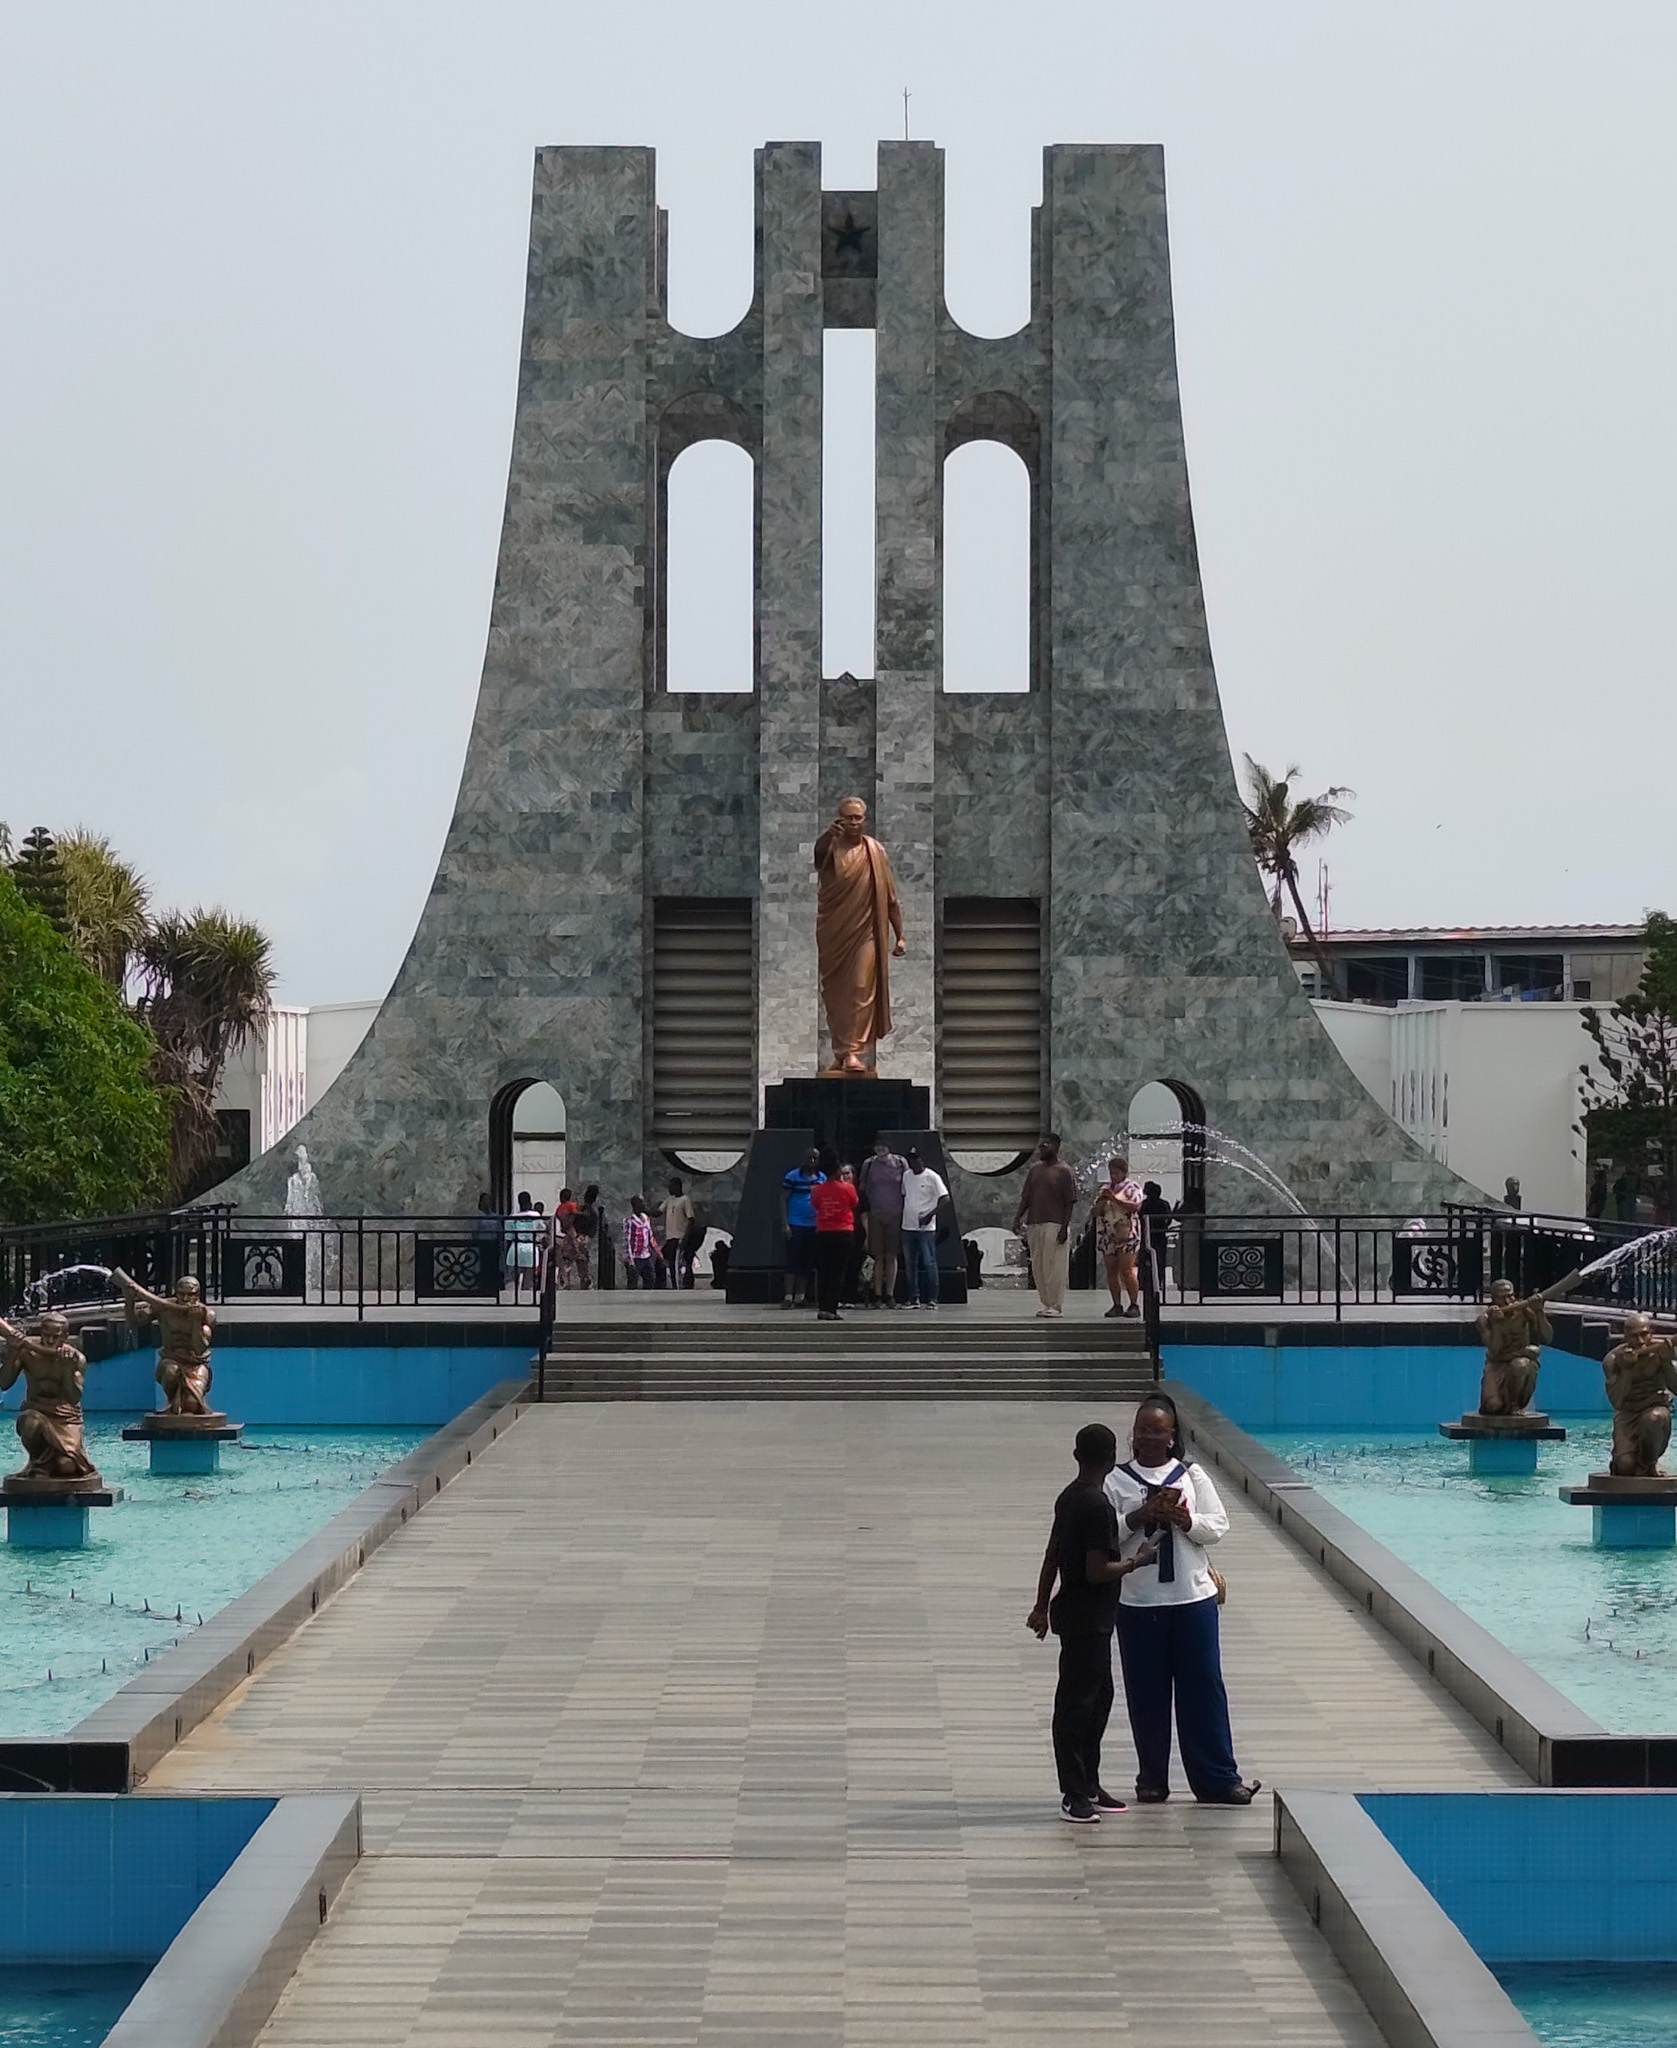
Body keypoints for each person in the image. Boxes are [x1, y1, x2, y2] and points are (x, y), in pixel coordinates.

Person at [1106, 1395, 1260, 1807]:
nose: (1149, 1437)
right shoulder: (1115, 1481)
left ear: (1172, 1436)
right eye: (1142, 1429)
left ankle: (1217, 1779)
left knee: (1204, 1687)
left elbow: (1217, 1525)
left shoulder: (1191, 1474)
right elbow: (1105, 1535)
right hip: (1139, 1602)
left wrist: (1185, 1520)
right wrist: (1139, 1516)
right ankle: (1152, 1779)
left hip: (1192, 1599)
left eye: (1158, 1430)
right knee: (1146, 1692)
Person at [1027, 1422, 1157, 1823]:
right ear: (1112, 1459)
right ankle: (1073, 1793)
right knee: (1077, 1705)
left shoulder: (1069, 1497)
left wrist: (1041, 1605)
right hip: (1089, 1619)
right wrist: (1138, 1561)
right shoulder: (1098, 1507)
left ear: (1076, 1455)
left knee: (1099, 1699)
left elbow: (1052, 1554)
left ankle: (1088, 1783)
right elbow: (1097, 1570)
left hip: (1079, 1616)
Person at [813, 795, 906, 1075]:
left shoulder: (874, 851)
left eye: (858, 818)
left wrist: (900, 935)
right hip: (834, 934)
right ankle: (841, 1052)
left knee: (861, 987)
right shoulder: (831, 848)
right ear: (840, 820)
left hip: (866, 934)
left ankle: (854, 1051)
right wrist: (827, 837)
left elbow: (890, 897)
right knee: (835, 994)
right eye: (848, 818)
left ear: (864, 820)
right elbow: (818, 858)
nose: (854, 823)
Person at [1013, 1135, 1079, 1319]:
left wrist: (1064, 1228)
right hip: (1034, 1222)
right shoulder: (1035, 1170)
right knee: (1039, 1266)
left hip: (1055, 1223)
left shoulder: (1064, 1171)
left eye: (1045, 1145)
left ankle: (1056, 1305)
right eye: (1040, 1146)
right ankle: (1046, 1303)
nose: (1041, 1148)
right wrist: (1018, 1218)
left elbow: (1069, 1202)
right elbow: (1026, 1197)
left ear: (1055, 1147)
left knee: (1054, 1265)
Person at [810, 1146, 860, 1321]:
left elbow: (816, 1205)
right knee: (838, 1272)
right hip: (843, 1232)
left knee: (824, 1270)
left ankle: (822, 1307)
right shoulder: (848, 1188)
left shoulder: (817, 1189)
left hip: (823, 1232)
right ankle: (831, 1308)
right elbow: (854, 1203)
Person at [1092, 1154, 1144, 1319]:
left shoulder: (1132, 1187)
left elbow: (1135, 1206)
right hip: (1108, 1234)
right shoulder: (1105, 1189)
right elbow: (1095, 1212)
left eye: (1116, 1173)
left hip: (1127, 1233)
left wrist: (1114, 1199)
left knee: (1126, 1270)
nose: (1113, 1176)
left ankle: (1134, 1304)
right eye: (1111, 1173)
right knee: (1111, 1270)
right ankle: (1117, 1304)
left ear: (1124, 1173)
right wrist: (1102, 1200)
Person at [858, 1137, 907, 1307]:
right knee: (877, 1255)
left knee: (891, 1255)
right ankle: (877, 1294)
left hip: (895, 1214)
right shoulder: (869, 1164)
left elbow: (908, 1185)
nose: (880, 1149)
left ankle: (890, 1294)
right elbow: (862, 1188)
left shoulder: (900, 1162)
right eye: (878, 1146)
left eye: (884, 1146)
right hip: (875, 1214)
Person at [901, 1146, 949, 1309]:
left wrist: (930, 1214)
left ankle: (932, 1298)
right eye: (910, 1160)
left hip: (926, 1228)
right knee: (910, 1263)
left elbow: (945, 1198)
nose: (913, 1163)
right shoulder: (906, 1176)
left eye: (915, 1159)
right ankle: (913, 1298)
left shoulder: (932, 1177)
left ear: (922, 1160)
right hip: (908, 1226)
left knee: (929, 1262)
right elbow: (905, 1195)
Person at [781, 1149, 825, 1309]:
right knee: (793, 1261)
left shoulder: (822, 1178)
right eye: (809, 1158)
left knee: (807, 1262)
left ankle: (800, 1296)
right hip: (795, 1223)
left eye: (815, 1158)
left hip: (813, 1225)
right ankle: (788, 1296)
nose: (812, 1161)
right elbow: (783, 1199)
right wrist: (785, 1223)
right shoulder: (792, 1176)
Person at [659, 1176, 698, 1290]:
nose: (669, 1189)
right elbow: (658, 1212)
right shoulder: (669, 1199)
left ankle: (678, 1286)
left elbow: (691, 1219)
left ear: (677, 1186)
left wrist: (685, 1237)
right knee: (671, 1263)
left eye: (671, 1186)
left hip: (679, 1237)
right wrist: (645, 1210)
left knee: (677, 1263)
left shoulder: (685, 1200)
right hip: (670, 1237)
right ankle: (674, 1285)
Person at [1139, 1181, 1174, 1294]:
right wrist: (1163, 1226)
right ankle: (1159, 1281)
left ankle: (1143, 1283)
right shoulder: (1164, 1204)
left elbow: (1139, 1218)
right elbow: (1169, 1219)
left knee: (1145, 1259)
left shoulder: (1144, 1204)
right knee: (1160, 1259)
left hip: (1146, 1235)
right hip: (1160, 1235)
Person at [505, 1192, 540, 1299]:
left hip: (515, 1249)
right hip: (531, 1249)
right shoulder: (536, 1216)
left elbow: (508, 1237)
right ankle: (528, 1301)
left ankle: (511, 1300)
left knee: (511, 1279)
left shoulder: (512, 1217)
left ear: (519, 1202)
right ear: (530, 1202)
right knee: (529, 1281)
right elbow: (540, 1233)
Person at [621, 1196, 658, 1289]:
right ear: (635, 1205)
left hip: (646, 1256)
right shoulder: (630, 1221)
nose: (643, 1204)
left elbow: (650, 1237)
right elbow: (627, 1241)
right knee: (633, 1282)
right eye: (641, 1202)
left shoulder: (646, 1219)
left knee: (650, 1279)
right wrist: (630, 1261)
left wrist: (658, 1252)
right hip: (635, 1257)